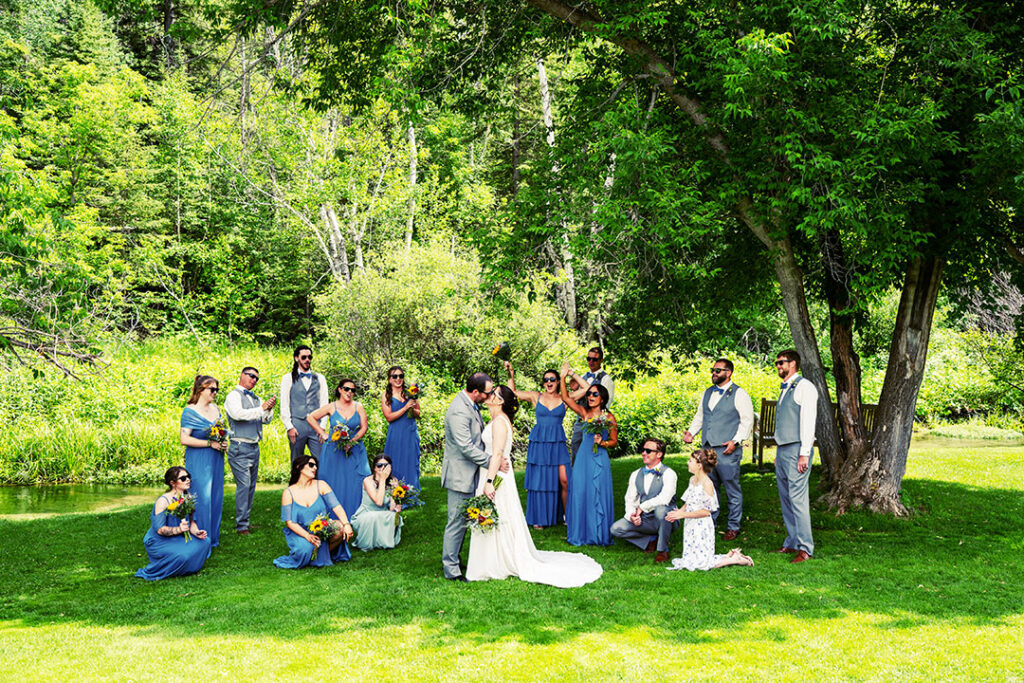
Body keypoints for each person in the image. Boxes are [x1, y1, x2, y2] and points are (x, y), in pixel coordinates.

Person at [466, 386, 602, 587]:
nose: (489, 395)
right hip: (494, 472)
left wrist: (488, 482)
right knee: (495, 514)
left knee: (497, 514)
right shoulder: (497, 420)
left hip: (496, 476)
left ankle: (498, 561)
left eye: (493, 393)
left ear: (500, 401)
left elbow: (497, 454)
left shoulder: (500, 422)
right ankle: (490, 559)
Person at [440, 372, 508, 582]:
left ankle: (455, 559)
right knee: (456, 522)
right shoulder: (459, 411)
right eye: (487, 393)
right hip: (459, 474)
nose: (490, 396)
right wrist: (492, 461)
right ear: (476, 391)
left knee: (463, 520)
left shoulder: (470, 404)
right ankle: (451, 569)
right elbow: (465, 447)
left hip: (470, 473)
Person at [682, 358, 754, 541]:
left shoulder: (739, 393)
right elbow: (700, 416)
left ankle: (733, 527)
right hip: (707, 449)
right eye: (712, 370)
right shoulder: (708, 392)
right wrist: (691, 432)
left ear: (728, 373)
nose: (714, 373)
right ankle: (710, 523)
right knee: (709, 487)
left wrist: (736, 441)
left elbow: (747, 421)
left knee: (731, 488)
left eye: (718, 370)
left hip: (727, 449)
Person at [504, 361, 569, 528]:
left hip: (557, 443)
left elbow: (586, 389)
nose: (549, 382)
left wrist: (567, 375)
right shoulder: (536, 396)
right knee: (541, 480)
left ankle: (566, 516)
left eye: (552, 379)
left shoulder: (565, 398)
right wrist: (511, 374)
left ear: (557, 382)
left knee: (564, 480)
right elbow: (511, 393)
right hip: (539, 442)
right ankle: (540, 518)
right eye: (546, 379)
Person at [666, 449, 754, 571]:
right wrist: (679, 512)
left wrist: (683, 515)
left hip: (701, 525)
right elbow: (689, 501)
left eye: (690, 461)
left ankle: (736, 559)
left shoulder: (707, 484)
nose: (688, 463)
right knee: (692, 560)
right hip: (690, 523)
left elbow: (706, 512)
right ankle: (731, 555)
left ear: (699, 465)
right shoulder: (692, 480)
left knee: (703, 564)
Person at [560, 361, 617, 547]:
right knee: (580, 492)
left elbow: (614, 441)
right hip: (583, 459)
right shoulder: (584, 413)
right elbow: (565, 398)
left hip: (600, 458)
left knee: (598, 493)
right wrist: (563, 377)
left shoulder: (609, 418)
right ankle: (581, 533)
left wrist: (603, 442)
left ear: (603, 398)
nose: (590, 396)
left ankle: (598, 534)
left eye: (595, 394)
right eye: (589, 394)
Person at [773, 349, 818, 564]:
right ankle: (792, 541)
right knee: (785, 498)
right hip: (783, 450)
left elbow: (808, 423)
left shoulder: (805, 387)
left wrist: (804, 454)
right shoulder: (785, 388)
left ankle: (805, 547)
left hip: (798, 450)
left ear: (793, 364)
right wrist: (778, 452)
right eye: (777, 363)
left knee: (798, 499)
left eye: (781, 362)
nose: (778, 366)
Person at [273, 455, 353, 569]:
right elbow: (289, 522)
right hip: (300, 531)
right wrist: (307, 535)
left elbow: (336, 506)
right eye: (311, 465)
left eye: (316, 465)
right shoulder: (288, 492)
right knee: (305, 550)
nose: (315, 468)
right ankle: (315, 555)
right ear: (299, 467)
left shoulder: (321, 485)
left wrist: (346, 524)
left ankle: (318, 556)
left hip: (321, 528)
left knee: (340, 528)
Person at [307, 379, 370, 521]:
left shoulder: (358, 406)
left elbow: (364, 427)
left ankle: (356, 516)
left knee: (354, 482)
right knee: (333, 482)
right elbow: (311, 417)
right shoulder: (331, 407)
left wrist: (352, 442)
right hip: (333, 451)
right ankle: (331, 517)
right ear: (340, 389)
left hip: (354, 450)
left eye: (353, 390)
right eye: (346, 389)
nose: (349, 392)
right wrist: (322, 433)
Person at [224, 366, 276, 536]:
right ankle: (241, 526)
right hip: (239, 446)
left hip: (254, 446)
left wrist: (268, 409)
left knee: (251, 487)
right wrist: (261, 408)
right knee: (244, 485)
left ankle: (245, 522)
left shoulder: (256, 398)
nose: (254, 380)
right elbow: (238, 415)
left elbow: (265, 420)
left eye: (256, 378)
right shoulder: (233, 396)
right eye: (251, 376)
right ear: (242, 375)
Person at [610, 438, 679, 563]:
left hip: (667, 518)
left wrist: (642, 507)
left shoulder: (669, 473)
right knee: (616, 529)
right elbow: (630, 499)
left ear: (659, 454)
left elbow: (665, 498)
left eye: (648, 451)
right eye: (643, 450)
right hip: (645, 519)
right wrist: (633, 515)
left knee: (661, 510)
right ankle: (650, 540)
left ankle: (663, 550)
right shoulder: (636, 474)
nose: (643, 453)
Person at [135, 466, 211, 580]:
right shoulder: (163, 501)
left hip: (179, 537)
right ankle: (173, 565)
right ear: (172, 483)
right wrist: (179, 529)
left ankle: (187, 566)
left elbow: (192, 522)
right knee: (183, 556)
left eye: (188, 477)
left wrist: (196, 532)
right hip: (159, 540)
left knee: (205, 542)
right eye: (183, 478)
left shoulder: (188, 497)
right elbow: (160, 530)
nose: (188, 480)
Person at [179, 375, 226, 548]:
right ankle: (200, 536)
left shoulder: (216, 408)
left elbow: (219, 432)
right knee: (201, 497)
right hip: (199, 459)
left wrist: (222, 443)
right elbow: (184, 439)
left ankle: (212, 538)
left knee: (215, 496)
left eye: (217, 390)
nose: (215, 393)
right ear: (201, 390)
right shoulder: (190, 411)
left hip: (216, 459)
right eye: (212, 389)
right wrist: (209, 444)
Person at [280, 345, 328, 462]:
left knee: (321, 461)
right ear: (296, 358)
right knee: (297, 461)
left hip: (316, 426)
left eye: (310, 357)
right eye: (304, 357)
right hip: (297, 425)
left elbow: (324, 404)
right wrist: (289, 427)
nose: (307, 360)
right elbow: (284, 404)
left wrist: (322, 427)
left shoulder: (320, 378)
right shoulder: (288, 378)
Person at [564, 347, 616, 458]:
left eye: (595, 359)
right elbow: (576, 398)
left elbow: (607, 402)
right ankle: (576, 469)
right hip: (580, 421)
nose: (591, 362)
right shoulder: (583, 377)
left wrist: (598, 421)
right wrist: (575, 390)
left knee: (593, 451)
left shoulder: (606, 379)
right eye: (589, 359)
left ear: (601, 360)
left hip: (596, 422)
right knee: (576, 448)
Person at [381, 366, 422, 496]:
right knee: (396, 461)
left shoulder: (409, 393)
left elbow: (418, 413)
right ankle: (396, 494)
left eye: (401, 376)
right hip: (396, 433)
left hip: (410, 432)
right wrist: (405, 408)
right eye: (395, 376)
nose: (398, 379)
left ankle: (411, 493)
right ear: (389, 379)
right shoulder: (386, 396)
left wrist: (412, 408)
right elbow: (389, 417)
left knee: (410, 461)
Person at [349, 454, 404, 551]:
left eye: (386, 465)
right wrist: (382, 479)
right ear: (374, 468)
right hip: (366, 514)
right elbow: (379, 502)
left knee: (394, 516)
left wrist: (397, 502)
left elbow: (392, 506)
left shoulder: (393, 480)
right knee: (372, 516)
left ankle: (383, 541)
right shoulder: (367, 481)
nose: (382, 468)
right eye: (379, 465)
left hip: (383, 513)